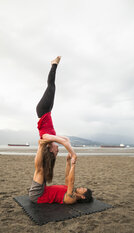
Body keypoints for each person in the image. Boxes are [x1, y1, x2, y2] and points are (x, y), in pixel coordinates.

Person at [35, 56, 77, 184]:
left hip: (42, 110)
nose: (58, 150)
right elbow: (66, 140)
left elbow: (63, 142)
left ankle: (53, 64)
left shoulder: (46, 138)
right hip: (47, 111)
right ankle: (53, 65)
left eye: (56, 152)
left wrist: (73, 154)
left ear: (51, 150)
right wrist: (70, 154)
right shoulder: (51, 139)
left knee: (51, 86)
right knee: (52, 87)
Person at [29, 140, 92, 204]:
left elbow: (71, 182)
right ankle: (44, 146)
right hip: (43, 190)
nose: (81, 187)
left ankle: (41, 146)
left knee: (40, 170)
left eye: (83, 189)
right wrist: (68, 161)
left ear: (83, 196)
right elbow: (67, 177)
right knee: (45, 167)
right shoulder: (70, 190)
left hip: (38, 196)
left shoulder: (71, 198)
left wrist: (73, 164)